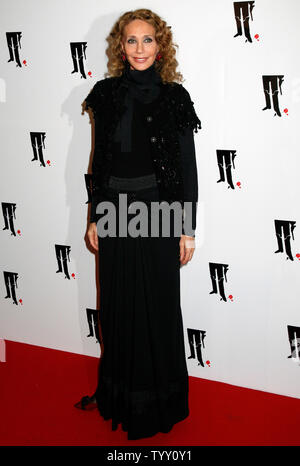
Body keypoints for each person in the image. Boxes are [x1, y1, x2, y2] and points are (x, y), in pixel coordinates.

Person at [75, 8, 201, 441]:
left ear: (160, 46)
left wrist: (186, 225)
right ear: (120, 47)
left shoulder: (175, 98)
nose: (140, 49)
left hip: (160, 210)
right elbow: (99, 160)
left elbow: (187, 165)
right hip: (113, 210)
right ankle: (119, 395)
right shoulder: (105, 94)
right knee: (117, 304)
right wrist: (94, 215)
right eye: (131, 40)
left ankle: (159, 403)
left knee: (159, 305)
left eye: (148, 40)